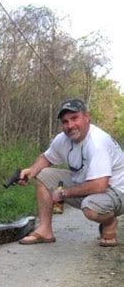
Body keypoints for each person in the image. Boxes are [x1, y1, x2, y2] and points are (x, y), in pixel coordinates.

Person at [18, 98, 124, 246]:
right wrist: (31, 171)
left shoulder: (98, 142)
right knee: (43, 174)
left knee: (91, 207)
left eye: (75, 118)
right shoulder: (62, 139)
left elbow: (100, 186)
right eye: (65, 121)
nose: (70, 125)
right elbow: (46, 158)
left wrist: (63, 193)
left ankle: (109, 222)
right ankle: (45, 231)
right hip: (88, 183)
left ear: (87, 117)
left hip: (115, 191)